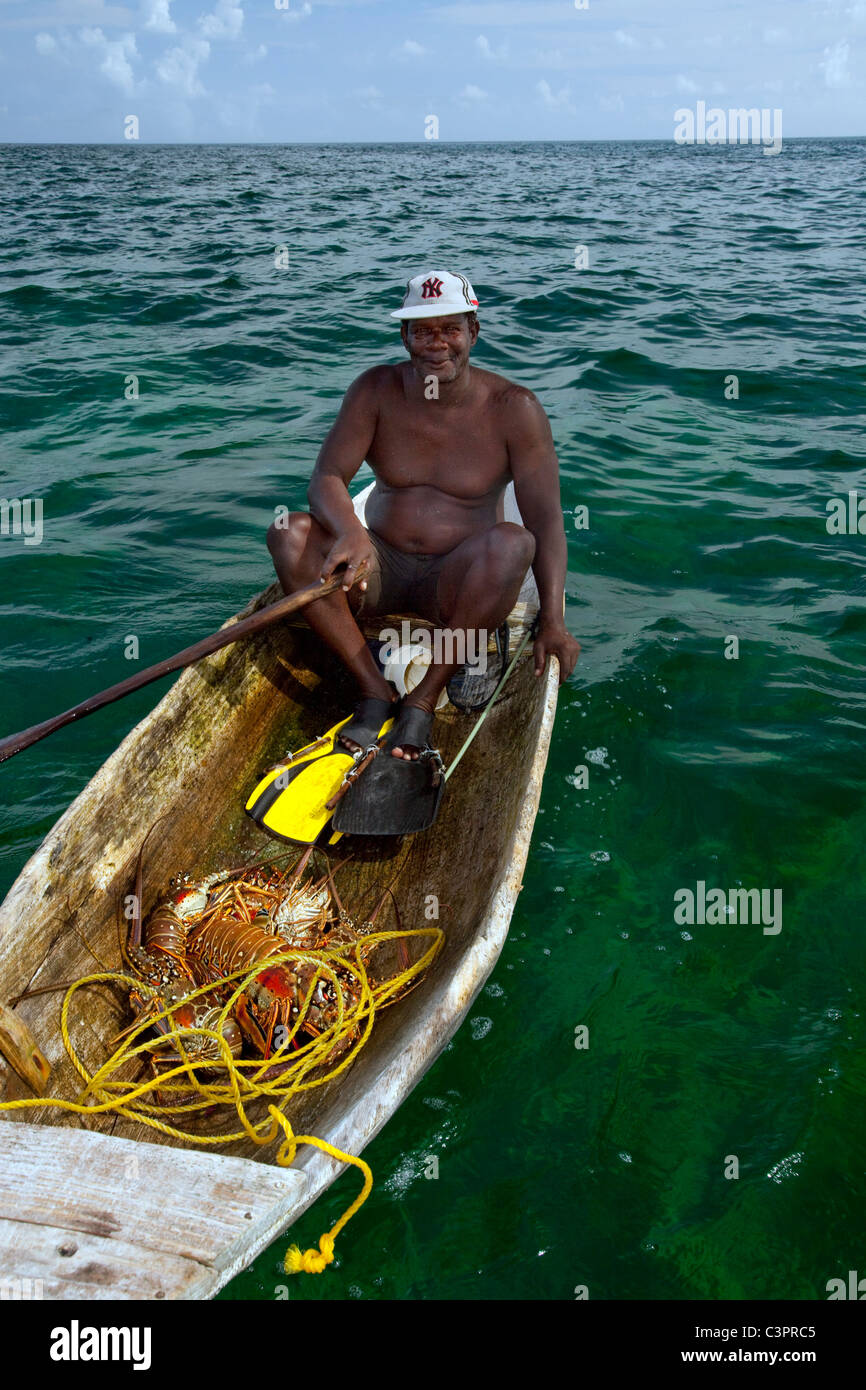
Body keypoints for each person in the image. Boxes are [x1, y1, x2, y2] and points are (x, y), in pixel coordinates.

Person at [267, 269, 580, 770]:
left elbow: (545, 524)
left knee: (514, 542)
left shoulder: (514, 408)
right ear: (404, 337)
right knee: (288, 532)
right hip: (379, 570)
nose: (437, 344)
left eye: (450, 329)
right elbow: (327, 475)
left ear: (473, 333)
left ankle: (421, 702)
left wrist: (554, 621)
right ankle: (371, 689)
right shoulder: (375, 389)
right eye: (422, 331)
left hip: (458, 590)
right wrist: (352, 532)